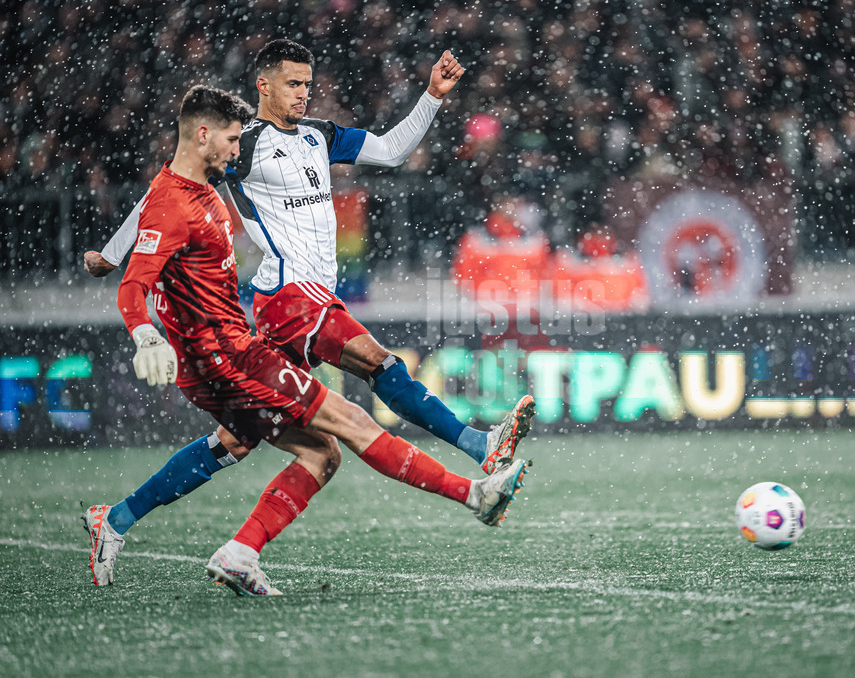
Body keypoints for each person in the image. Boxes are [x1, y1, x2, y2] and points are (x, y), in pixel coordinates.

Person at [83, 85, 530, 596]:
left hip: (225, 353)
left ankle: (172, 534)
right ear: (204, 133)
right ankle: (477, 492)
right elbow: (134, 284)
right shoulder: (174, 202)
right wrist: (145, 334)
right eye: (231, 140)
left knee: (314, 453)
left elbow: (148, 214)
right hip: (232, 352)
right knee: (353, 418)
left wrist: (107, 253)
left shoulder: (203, 187)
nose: (237, 150)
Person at [85, 40, 534, 478]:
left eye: (307, 84)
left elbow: (391, 151)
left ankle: (120, 517)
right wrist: (111, 253)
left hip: (307, 300)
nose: (303, 92)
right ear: (263, 85)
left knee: (240, 436)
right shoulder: (245, 143)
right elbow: (165, 192)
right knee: (381, 364)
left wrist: (432, 96)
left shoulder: (320, 135)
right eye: (293, 83)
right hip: (291, 295)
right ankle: (479, 446)